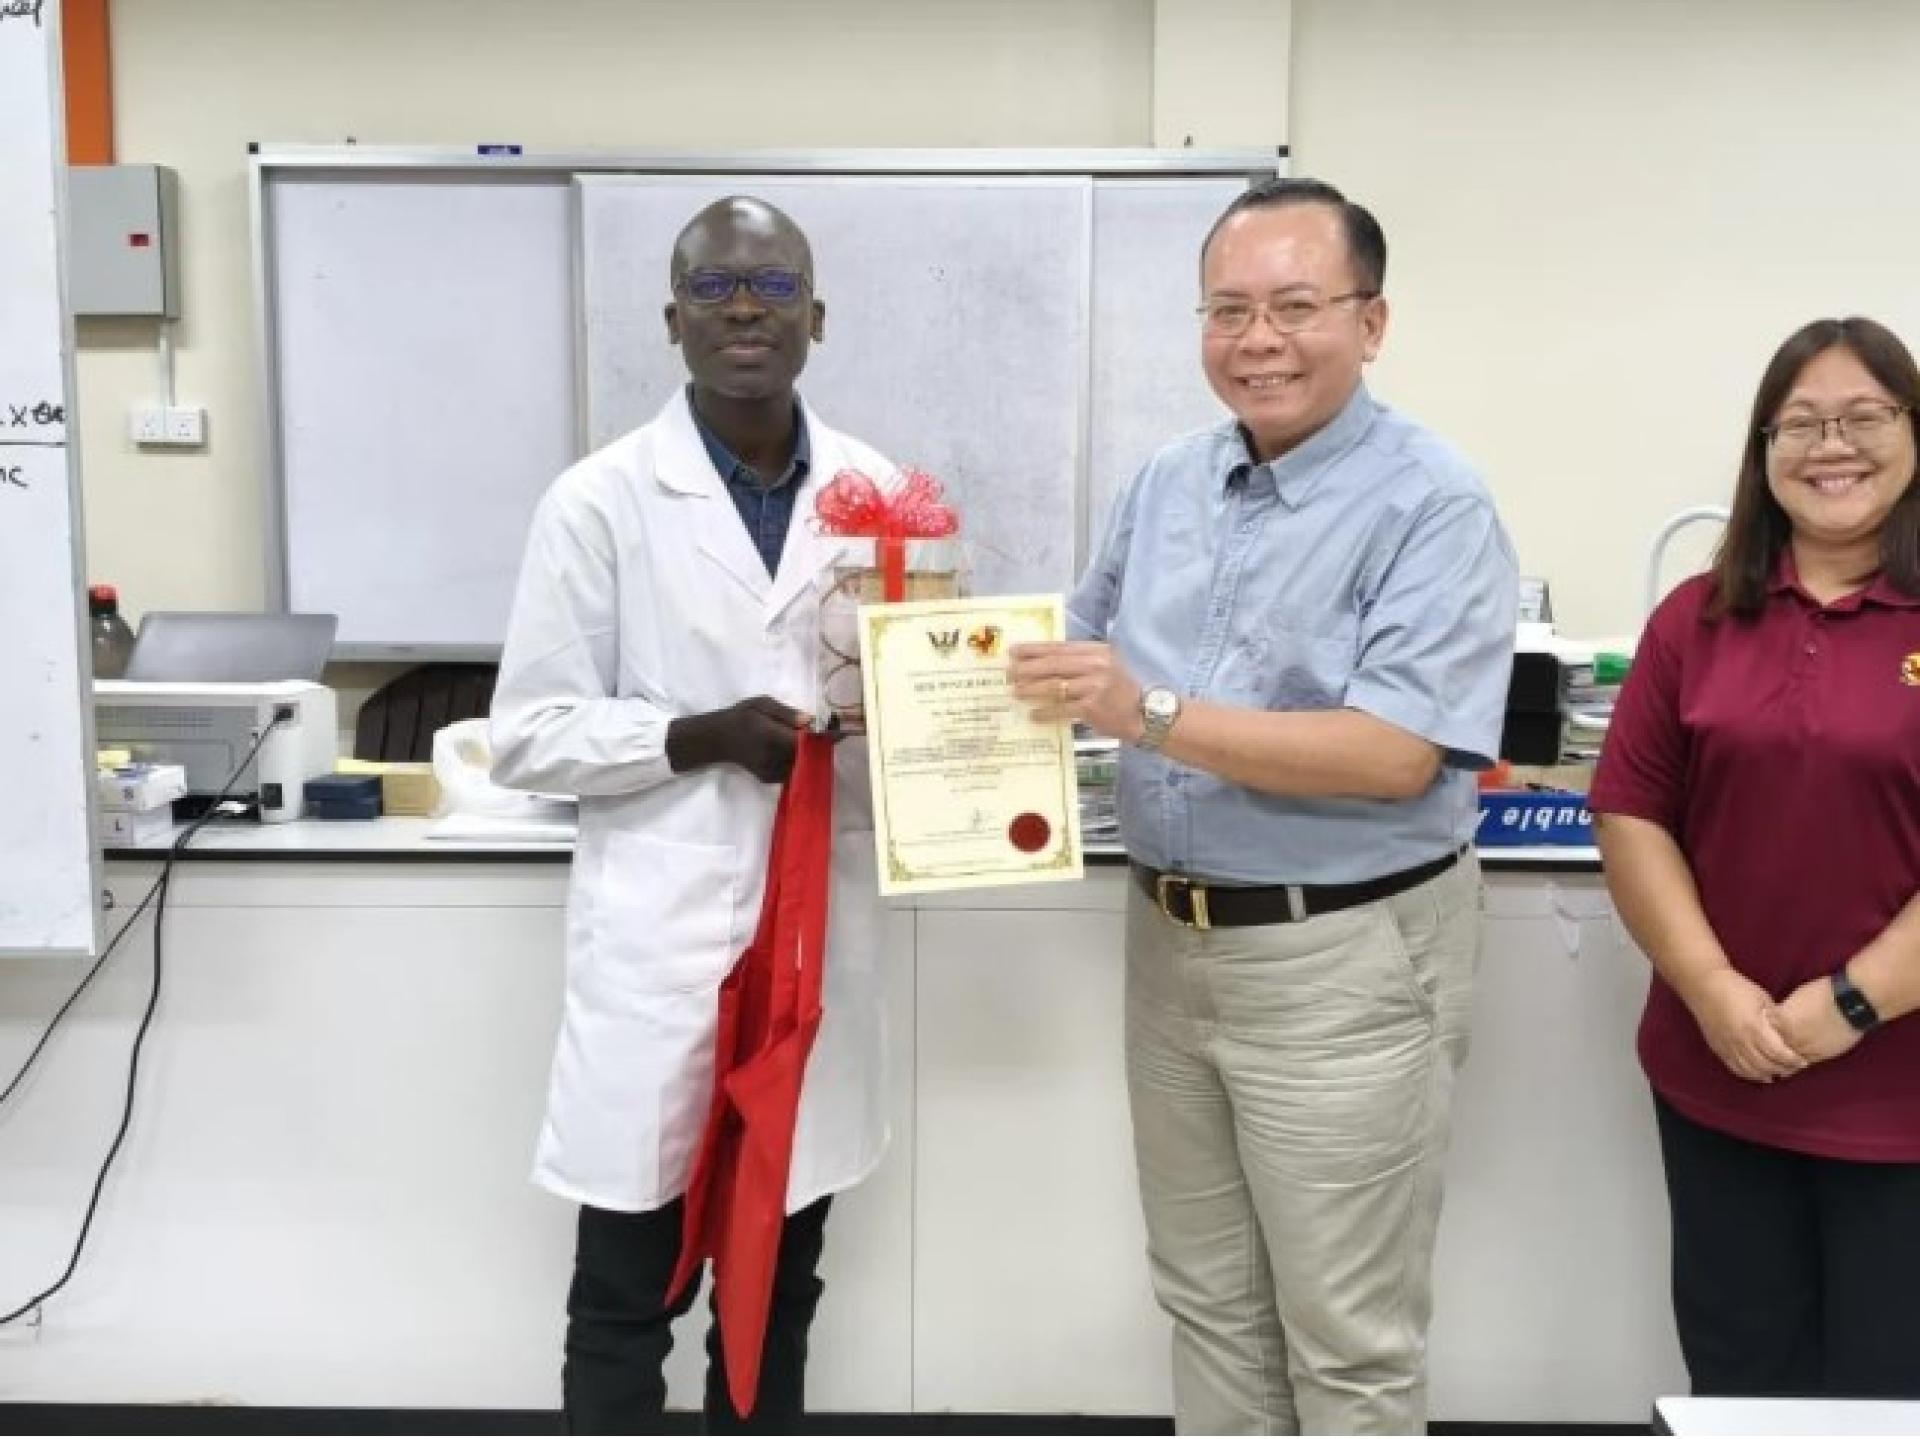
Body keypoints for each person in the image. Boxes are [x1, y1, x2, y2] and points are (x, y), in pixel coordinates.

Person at [1010, 177, 1517, 1435]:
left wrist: (1148, 711)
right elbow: (1069, 648)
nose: (1258, 340)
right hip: (1170, 945)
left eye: (1296, 305)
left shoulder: (1433, 503)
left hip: (1342, 956)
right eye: (1228, 309)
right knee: (1209, 1303)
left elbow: (1395, 752)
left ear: (1371, 320)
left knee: (1348, 1340)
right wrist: (915, 662)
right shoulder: (1166, 482)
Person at [490, 197, 894, 1434]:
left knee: (779, 1291)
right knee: (627, 1292)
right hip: (659, 950)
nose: (744, 310)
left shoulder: (883, 495)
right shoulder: (599, 500)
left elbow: (923, 695)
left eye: (773, 286)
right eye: (714, 288)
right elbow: (529, 733)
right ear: (674, 319)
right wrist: (694, 734)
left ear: (818, 317)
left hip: (810, 949)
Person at [1590, 316, 1920, 1400]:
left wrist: (1853, 1001)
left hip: (1902, 1099)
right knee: (1742, 1382)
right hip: (1721, 1072)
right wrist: (1712, 989)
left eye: (1866, 416)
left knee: (1892, 1391)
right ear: (1764, 447)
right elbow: (1632, 811)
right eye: (1802, 422)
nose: (1834, 445)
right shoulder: (1695, 618)